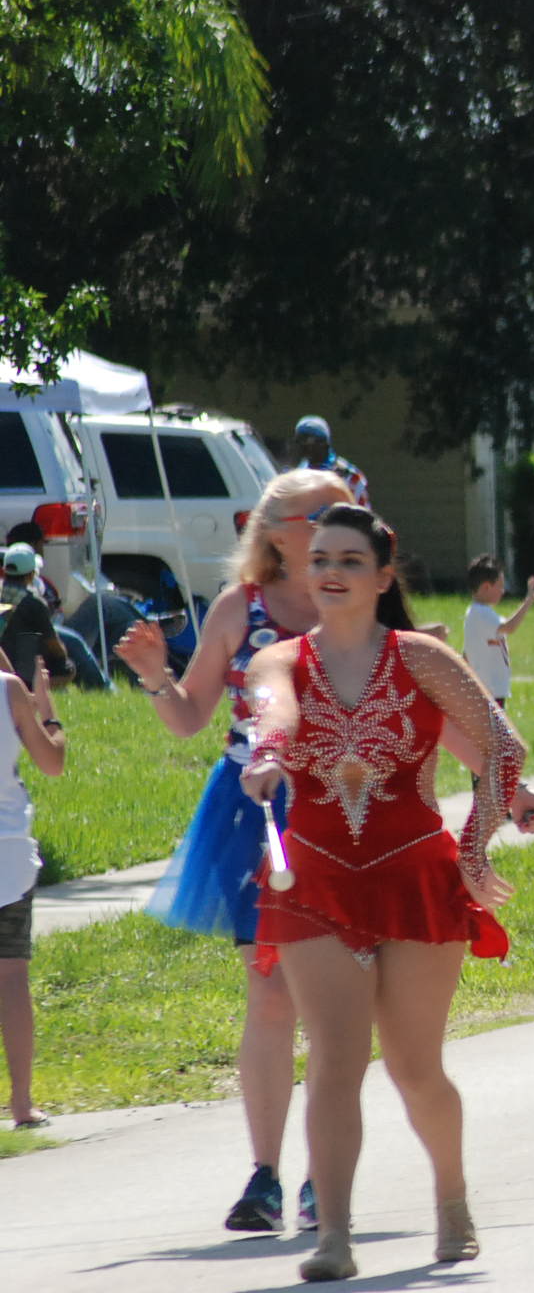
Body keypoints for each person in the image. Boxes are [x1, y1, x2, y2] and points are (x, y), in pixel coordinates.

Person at [239, 503, 534, 1282]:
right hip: (312, 880)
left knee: (416, 1068)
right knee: (334, 1061)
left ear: (383, 578)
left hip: (415, 875)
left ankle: (451, 1200)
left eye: (350, 561)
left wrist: (476, 848)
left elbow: (502, 750)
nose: (331, 573)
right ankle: (333, 1236)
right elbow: (271, 713)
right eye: (320, 561)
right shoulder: (277, 660)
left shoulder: (421, 658)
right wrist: (269, 754)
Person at [112, 467, 353, 1232]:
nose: (344, 524)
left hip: (345, 807)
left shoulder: (357, 596)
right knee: (272, 992)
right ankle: (267, 1176)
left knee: (334, 999)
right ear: (279, 531)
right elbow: (189, 718)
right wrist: (156, 677)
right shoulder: (238, 609)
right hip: (257, 811)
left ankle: (326, 1173)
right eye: (327, 514)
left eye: (349, 512)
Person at [0, 652, 63, 1132]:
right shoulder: (10, 690)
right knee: (11, 977)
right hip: (8, 858)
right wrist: (48, 709)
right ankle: (22, 1102)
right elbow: (52, 761)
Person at [461, 555, 534, 710]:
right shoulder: (481, 613)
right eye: (500, 586)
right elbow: (510, 627)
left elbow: (467, 653)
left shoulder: (479, 613)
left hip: (489, 690)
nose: (503, 591)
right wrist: (528, 602)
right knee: (494, 733)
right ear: (486, 587)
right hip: (488, 690)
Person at [0, 544, 72, 688]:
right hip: (23, 673)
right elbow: (53, 644)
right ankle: (35, 692)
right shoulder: (34, 603)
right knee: (66, 667)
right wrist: (63, 656)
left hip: (3, 665)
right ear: (31, 574)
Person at [290, 416, 371, 507]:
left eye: (306, 440)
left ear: (323, 442)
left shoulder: (349, 476)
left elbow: (364, 513)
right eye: (298, 440)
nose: (301, 445)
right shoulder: (297, 475)